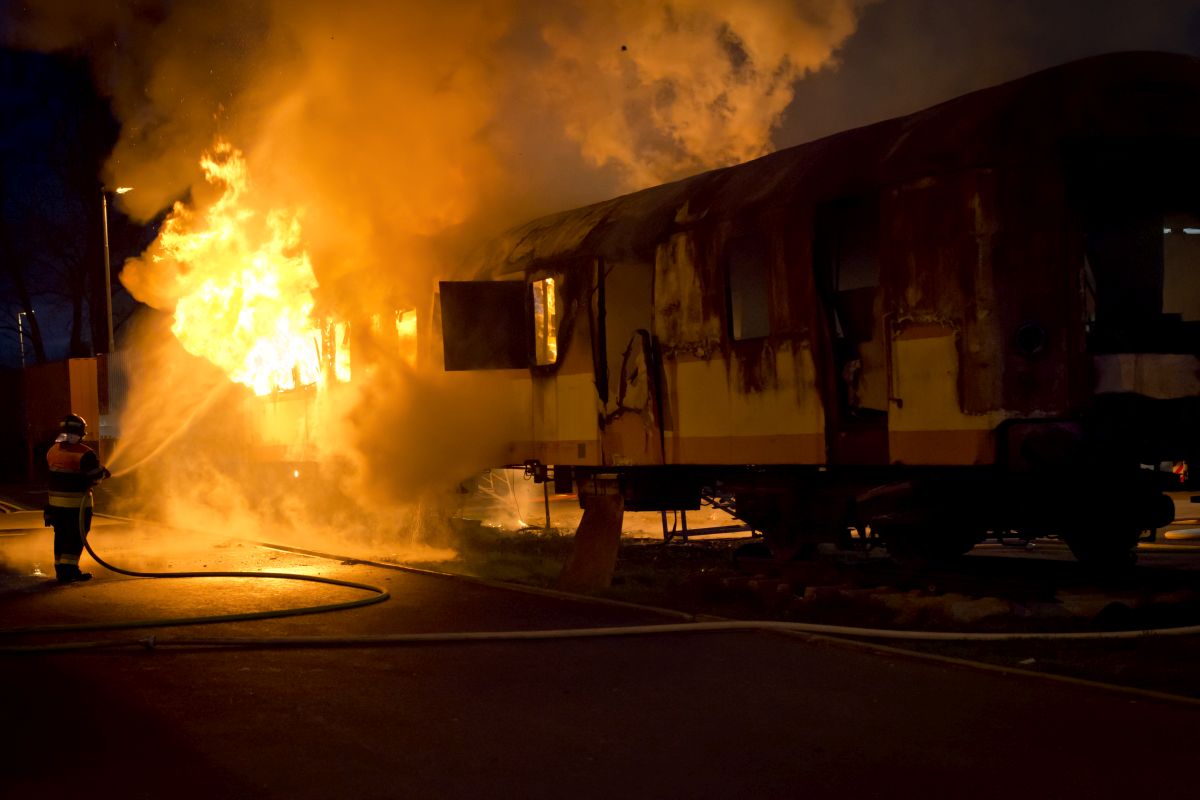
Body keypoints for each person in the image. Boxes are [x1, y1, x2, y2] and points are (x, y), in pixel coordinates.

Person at [44, 413, 110, 583]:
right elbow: (95, 477)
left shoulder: (53, 450)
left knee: (61, 535)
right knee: (75, 537)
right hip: (76, 505)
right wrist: (104, 473)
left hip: (55, 505)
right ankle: (70, 570)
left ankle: (61, 570)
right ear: (81, 432)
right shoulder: (85, 453)